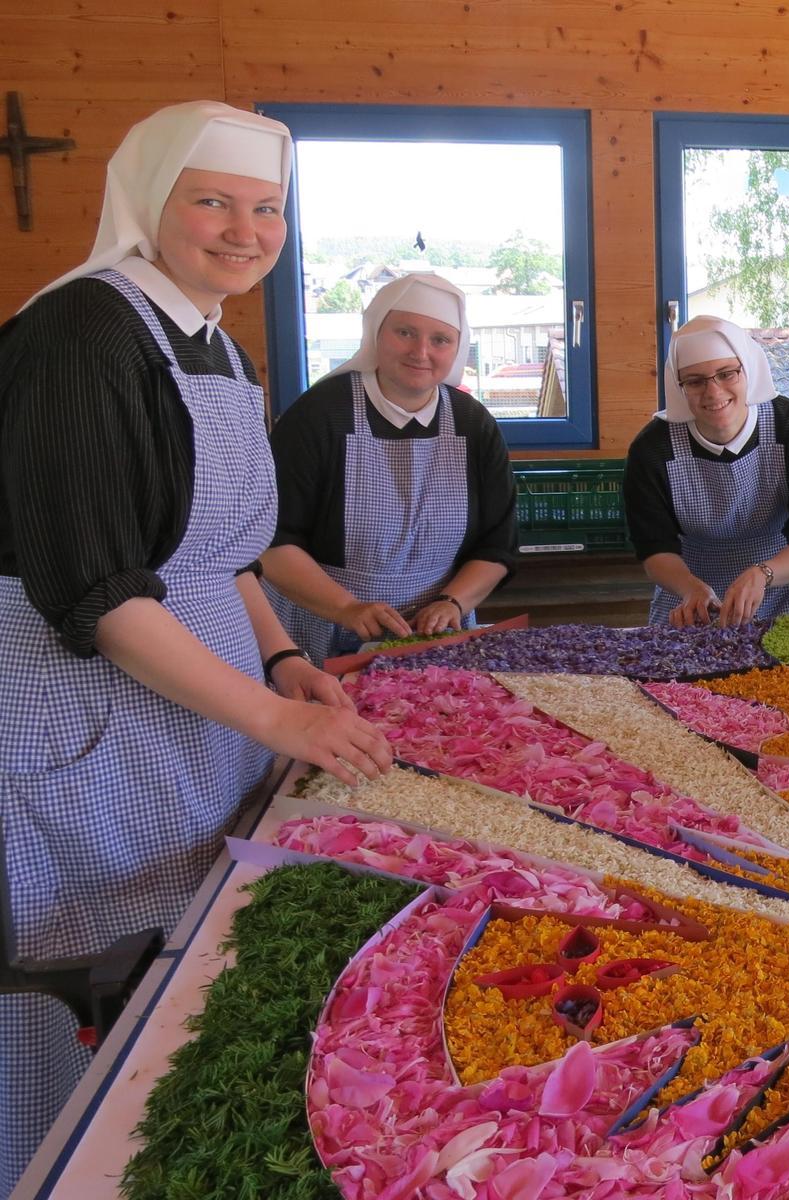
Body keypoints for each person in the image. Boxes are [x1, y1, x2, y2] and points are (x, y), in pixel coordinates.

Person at [0, 100, 390, 1189]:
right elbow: (98, 587)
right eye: (211, 201)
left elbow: (222, 554)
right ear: (147, 200)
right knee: (88, 984)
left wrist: (279, 661)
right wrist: (274, 717)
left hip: (200, 699)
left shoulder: (217, 346)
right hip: (88, 712)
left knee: (182, 967)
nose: (243, 230)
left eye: (266, 209)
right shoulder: (81, 333)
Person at [262, 273, 516, 663]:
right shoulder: (320, 415)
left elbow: (497, 544)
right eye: (405, 332)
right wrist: (347, 608)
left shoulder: (473, 423)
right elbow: (271, 540)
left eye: (440, 339)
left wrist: (452, 602)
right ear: (376, 333)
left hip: (436, 634)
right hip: (322, 622)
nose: (421, 351)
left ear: (457, 348)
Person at [625, 315, 789, 626]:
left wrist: (763, 574)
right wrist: (690, 588)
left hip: (786, 588)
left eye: (726, 374)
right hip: (690, 596)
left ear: (748, 370)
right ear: (678, 386)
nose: (713, 392)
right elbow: (655, 549)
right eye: (695, 381)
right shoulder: (652, 450)